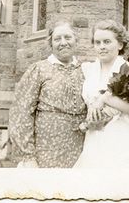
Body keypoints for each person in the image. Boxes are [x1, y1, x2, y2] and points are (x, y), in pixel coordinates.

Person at [9, 21, 87, 168]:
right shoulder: (39, 70)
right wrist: (28, 156)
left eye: (68, 37)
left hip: (80, 150)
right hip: (46, 150)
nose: (63, 43)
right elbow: (21, 112)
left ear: (76, 40)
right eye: (57, 39)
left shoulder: (86, 70)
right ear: (51, 44)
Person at [74, 19, 129, 169]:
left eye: (107, 42)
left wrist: (106, 99)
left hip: (122, 140)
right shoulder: (88, 70)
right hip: (94, 139)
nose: (101, 47)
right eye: (97, 42)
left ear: (120, 44)